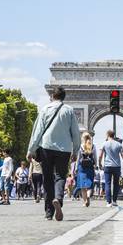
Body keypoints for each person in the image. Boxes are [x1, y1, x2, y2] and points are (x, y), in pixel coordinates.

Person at [27, 87, 80, 221]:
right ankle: (58, 199)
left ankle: (49, 212)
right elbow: (76, 133)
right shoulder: (69, 110)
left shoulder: (45, 109)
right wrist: (76, 150)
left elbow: (37, 131)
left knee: (48, 179)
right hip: (64, 149)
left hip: (47, 147)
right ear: (64, 97)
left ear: (52, 96)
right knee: (61, 176)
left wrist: (31, 150)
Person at [99, 130, 123, 207]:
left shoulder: (104, 143)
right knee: (116, 184)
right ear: (113, 135)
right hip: (117, 166)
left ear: (107, 135)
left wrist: (99, 163)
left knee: (107, 184)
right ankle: (114, 201)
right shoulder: (119, 144)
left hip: (107, 166)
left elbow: (100, 155)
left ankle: (108, 202)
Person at [76, 132, 97, 207]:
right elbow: (95, 157)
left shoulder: (81, 146)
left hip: (82, 167)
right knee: (89, 184)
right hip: (90, 167)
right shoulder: (93, 146)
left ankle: (85, 201)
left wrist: (75, 168)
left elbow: (78, 158)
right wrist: (96, 166)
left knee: (82, 186)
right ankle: (88, 196)